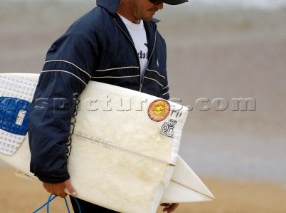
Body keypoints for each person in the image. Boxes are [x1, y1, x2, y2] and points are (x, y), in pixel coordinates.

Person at [28, 0, 187, 212]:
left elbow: (161, 114)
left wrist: (167, 180)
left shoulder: (156, 40)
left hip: (131, 169)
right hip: (93, 167)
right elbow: (55, 96)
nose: (160, 6)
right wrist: (51, 169)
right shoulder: (88, 32)